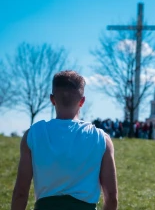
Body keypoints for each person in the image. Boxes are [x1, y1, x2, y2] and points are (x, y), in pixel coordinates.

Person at [11, 70, 118, 210]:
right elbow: (111, 197)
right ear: (82, 101)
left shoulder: (33, 135)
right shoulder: (101, 138)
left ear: (52, 99)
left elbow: (21, 193)